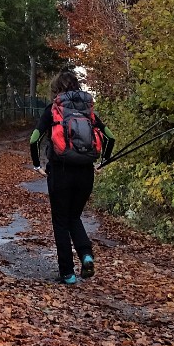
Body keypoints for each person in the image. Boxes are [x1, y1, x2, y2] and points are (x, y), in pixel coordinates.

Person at [30, 70, 114, 284]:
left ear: (56, 89)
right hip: (85, 173)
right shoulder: (88, 112)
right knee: (74, 216)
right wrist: (103, 161)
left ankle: (67, 273)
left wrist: (37, 165)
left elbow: (34, 139)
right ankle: (86, 255)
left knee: (60, 221)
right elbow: (110, 137)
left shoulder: (53, 110)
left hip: (60, 173)